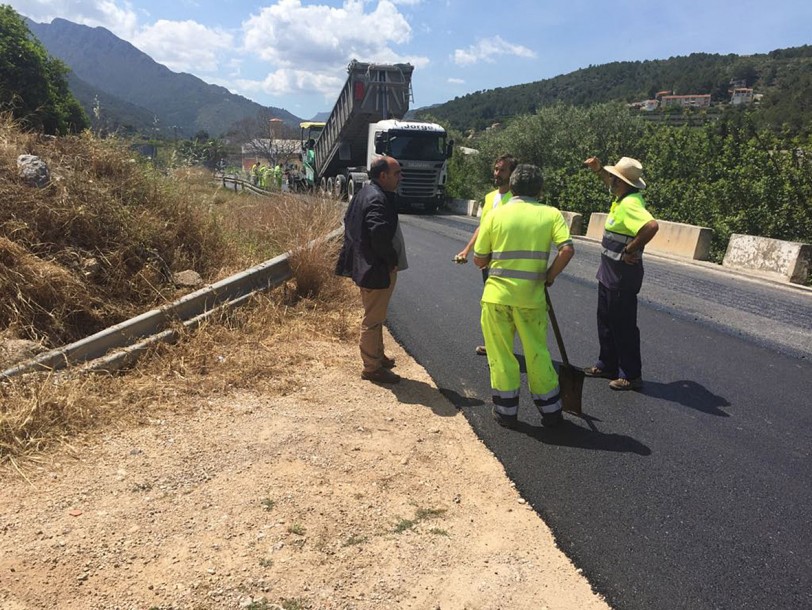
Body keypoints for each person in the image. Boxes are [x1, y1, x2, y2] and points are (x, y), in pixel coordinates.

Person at [473, 164, 575, 428]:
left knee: (501, 355)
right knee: (537, 354)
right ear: (540, 189)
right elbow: (567, 250)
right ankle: (551, 412)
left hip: (496, 298)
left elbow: (479, 259)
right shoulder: (551, 214)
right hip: (531, 300)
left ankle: (506, 412)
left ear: (513, 186)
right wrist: (548, 276)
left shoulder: (496, 215)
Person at [582, 156, 659, 391]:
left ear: (623, 183)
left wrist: (630, 249)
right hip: (609, 274)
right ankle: (607, 364)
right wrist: (597, 170)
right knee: (605, 321)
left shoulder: (630, 204)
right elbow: (609, 181)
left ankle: (631, 374)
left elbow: (651, 226)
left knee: (622, 326)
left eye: (615, 179)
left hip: (622, 277)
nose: (611, 181)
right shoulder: (622, 198)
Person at [336, 156, 407, 384]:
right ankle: (372, 367)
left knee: (377, 314)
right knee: (373, 319)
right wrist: (390, 259)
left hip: (365, 264)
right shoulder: (377, 199)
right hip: (375, 268)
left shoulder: (364, 193)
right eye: (396, 174)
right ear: (383, 176)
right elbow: (378, 235)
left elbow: (349, 222)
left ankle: (378, 356)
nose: (400, 178)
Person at [455, 153, 518, 355]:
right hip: (487, 262)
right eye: (496, 169)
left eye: (503, 170)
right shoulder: (491, 197)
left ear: (512, 174)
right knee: (491, 306)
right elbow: (482, 228)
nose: (497, 173)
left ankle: (502, 346)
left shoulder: (516, 200)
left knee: (505, 306)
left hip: (506, 262)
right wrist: (467, 250)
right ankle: (493, 344)